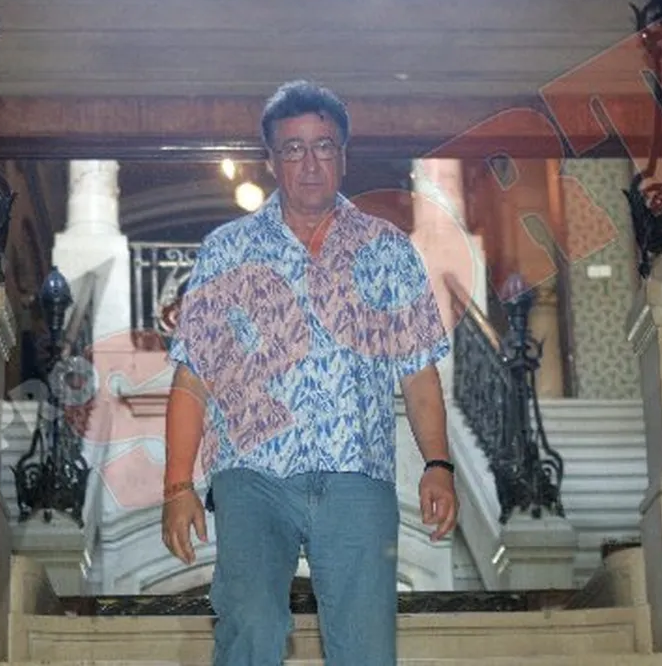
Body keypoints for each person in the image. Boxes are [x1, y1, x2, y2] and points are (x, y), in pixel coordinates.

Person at [161, 80, 458, 665]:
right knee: (251, 624)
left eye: (323, 146)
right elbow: (193, 376)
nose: (310, 163)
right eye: (293, 149)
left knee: (366, 648)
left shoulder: (388, 250)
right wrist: (177, 486)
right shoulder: (227, 250)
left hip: (357, 476)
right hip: (251, 474)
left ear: (343, 154)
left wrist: (439, 465)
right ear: (271, 160)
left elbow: (418, 372)